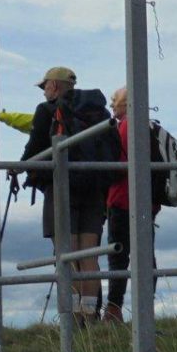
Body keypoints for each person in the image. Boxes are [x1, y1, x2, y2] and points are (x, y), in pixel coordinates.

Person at [20, 67, 106, 325]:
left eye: (44, 86)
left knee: (66, 254)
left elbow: (35, 148)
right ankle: (91, 315)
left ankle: (74, 319)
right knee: (89, 255)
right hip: (94, 188)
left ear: (54, 87)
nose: (44, 91)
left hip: (61, 189)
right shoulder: (97, 112)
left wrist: (21, 167)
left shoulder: (46, 110)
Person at [103, 86, 160, 322]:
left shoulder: (123, 127)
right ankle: (145, 308)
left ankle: (114, 309)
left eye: (114, 100)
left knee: (118, 255)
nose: (111, 104)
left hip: (121, 199)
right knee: (145, 256)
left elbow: (117, 164)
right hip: (147, 202)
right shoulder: (148, 126)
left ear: (126, 104)